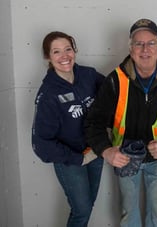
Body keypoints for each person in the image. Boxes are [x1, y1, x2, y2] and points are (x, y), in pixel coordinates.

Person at [84, 18, 157, 227]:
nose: (145, 49)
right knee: (129, 214)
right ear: (131, 49)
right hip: (125, 157)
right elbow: (93, 122)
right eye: (139, 43)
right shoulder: (115, 80)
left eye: (151, 43)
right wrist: (106, 151)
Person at [31, 31, 105, 227]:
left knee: (88, 206)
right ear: (48, 57)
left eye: (68, 49)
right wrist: (79, 158)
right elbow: (41, 144)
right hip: (71, 160)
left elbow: (113, 93)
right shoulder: (48, 94)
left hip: (96, 152)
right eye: (56, 52)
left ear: (75, 51)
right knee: (81, 211)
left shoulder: (88, 75)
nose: (64, 56)